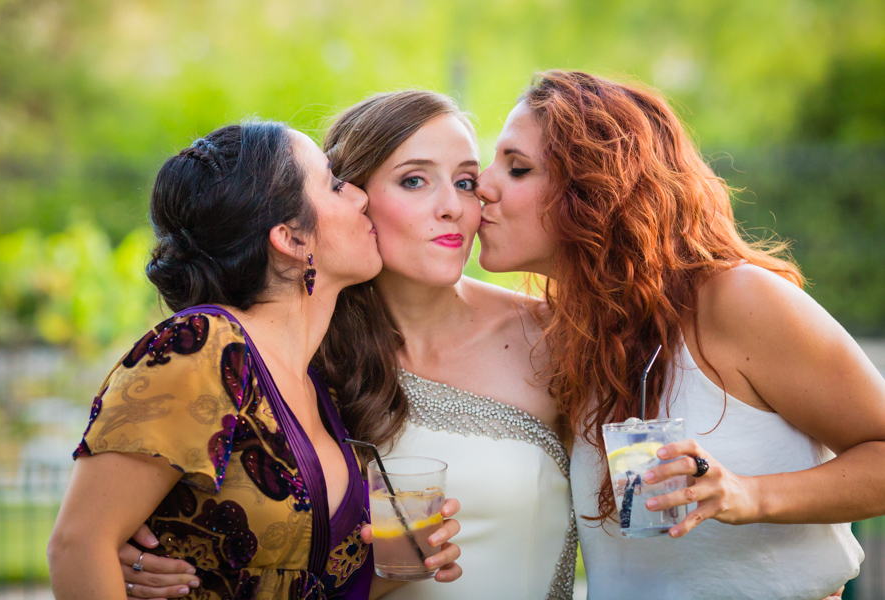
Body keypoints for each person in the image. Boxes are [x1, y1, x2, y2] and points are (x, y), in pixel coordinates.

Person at [120, 91, 576, 600]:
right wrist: (139, 554)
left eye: (466, 182)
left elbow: (635, 479)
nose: (453, 208)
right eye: (414, 180)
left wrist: (686, 475)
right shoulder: (296, 357)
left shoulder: (554, 336)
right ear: (347, 199)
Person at [473, 70, 884, 599]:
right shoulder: (575, 335)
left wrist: (746, 496)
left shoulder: (734, 300)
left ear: (598, 187)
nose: (483, 185)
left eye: (518, 168)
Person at [48, 120, 461, 600]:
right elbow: (78, 544)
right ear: (291, 238)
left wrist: (409, 560)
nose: (360, 197)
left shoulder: (317, 384)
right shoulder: (202, 346)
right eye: (332, 184)